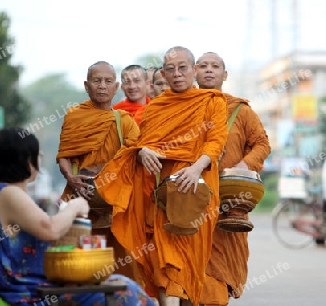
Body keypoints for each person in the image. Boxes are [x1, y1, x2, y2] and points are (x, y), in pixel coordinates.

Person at [94, 46, 228, 306]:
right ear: (164, 75)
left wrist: (197, 167)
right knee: (161, 256)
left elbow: (216, 140)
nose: (177, 74)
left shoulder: (212, 101)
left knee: (193, 257)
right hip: (161, 191)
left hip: (198, 188)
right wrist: (143, 151)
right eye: (170, 69)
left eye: (183, 68)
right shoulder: (156, 109)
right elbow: (139, 144)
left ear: (194, 70)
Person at [0, 128, 156, 306]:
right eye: (37, 154)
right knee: (125, 290)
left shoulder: (0, 193)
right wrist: (75, 206)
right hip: (22, 292)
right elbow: (50, 229)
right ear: (26, 161)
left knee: (118, 281)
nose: (40, 157)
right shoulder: (9, 194)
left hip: (25, 287)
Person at [195, 52, 271, 305]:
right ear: (194, 72)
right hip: (192, 198)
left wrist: (243, 165)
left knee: (221, 267)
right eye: (203, 66)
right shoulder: (183, 107)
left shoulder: (240, 110)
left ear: (224, 75)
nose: (209, 70)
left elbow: (261, 143)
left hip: (230, 200)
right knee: (192, 265)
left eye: (215, 66)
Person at [56, 61, 142, 281]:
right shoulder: (75, 116)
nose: (102, 86)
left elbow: (135, 156)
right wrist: (70, 177)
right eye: (97, 81)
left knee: (123, 267)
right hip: (81, 201)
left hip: (118, 206)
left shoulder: (125, 121)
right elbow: (64, 154)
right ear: (87, 85)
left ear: (116, 87)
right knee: (81, 268)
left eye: (108, 81)